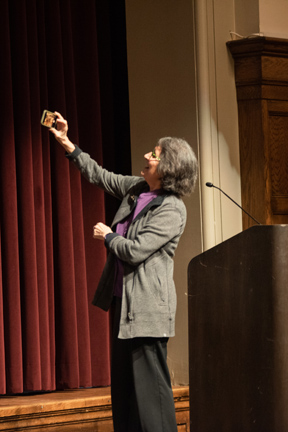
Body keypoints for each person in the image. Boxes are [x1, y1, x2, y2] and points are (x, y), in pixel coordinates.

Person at [49, 111, 198, 432]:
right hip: (123, 304)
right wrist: (66, 142)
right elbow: (100, 176)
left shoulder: (172, 208)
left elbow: (136, 251)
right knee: (126, 392)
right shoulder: (137, 189)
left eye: (154, 154)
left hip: (148, 309)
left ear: (169, 166)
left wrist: (109, 235)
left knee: (151, 395)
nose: (146, 155)